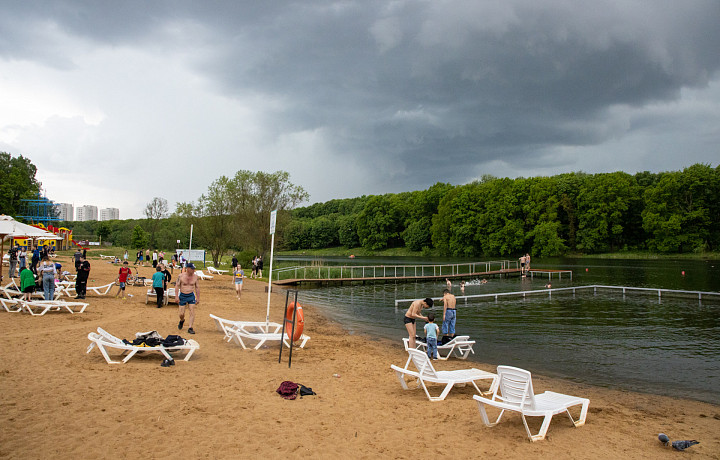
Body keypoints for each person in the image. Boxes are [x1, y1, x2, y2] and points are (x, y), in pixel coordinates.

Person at [175, 262, 200, 334]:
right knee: (181, 314)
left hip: (191, 295)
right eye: (192, 269)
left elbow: (197, 287)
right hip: (183, 295)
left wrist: (198, 298)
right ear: (188, 269)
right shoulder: (181, 276)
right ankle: (182, 320)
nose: (194, 270)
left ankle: (190, 327)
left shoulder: (195, 277)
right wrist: (176, 296)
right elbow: (177, 286)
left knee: (192, 311)